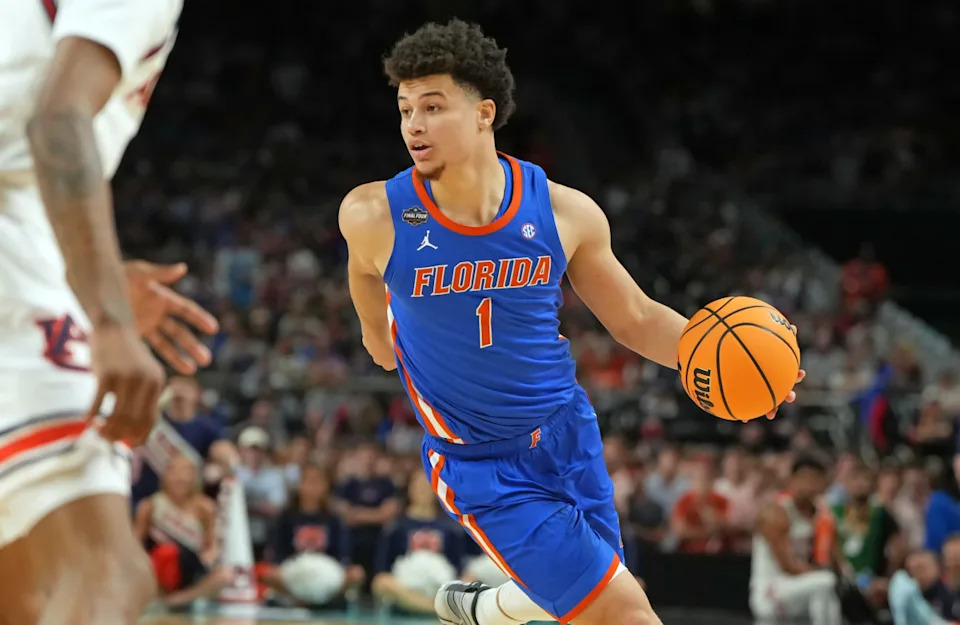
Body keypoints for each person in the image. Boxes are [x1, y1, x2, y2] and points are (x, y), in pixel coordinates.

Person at [339, 18, 803, 625]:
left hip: (567, 434)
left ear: (484, 112)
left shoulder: (564, 212)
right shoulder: (376, 213)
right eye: (404, 110)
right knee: (625, 613)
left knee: (589, 599)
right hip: (481, 465)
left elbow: (635, 318)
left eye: (432, 106)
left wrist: (736, 370)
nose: (414, 125)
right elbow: (363, 273)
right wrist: (375, 330)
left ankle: (489, 610)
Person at [0, 1, 219, 623]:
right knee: (106, 570)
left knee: (17, 589)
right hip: (13, 242)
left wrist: (89, 282)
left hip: (26, 250)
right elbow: (56, 122)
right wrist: (109, 319)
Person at [750, 456, 843, 625]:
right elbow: (787, 565)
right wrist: (819, 573)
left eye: (814, 479)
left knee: (824, 591)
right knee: (825, 582)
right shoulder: (776, 513)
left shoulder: (823, 516)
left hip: (800, 591)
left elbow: (833, 560)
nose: (808, 485)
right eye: (803, 478)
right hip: (772, 591)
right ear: (791, 480)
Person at [134, 454, 234, 609]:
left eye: (187, 472)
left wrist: (209, 556)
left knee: (225, 576)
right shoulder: (150, 505)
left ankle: (176, 600)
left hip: (191, 569)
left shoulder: (205, 507)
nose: (181, 478)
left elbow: (211, 545)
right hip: (158, 568)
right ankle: (161, 596)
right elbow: (136, 544)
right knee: (165, 554)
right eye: (175, 471)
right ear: (166, 474)